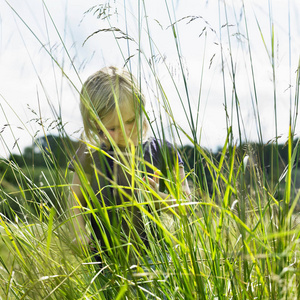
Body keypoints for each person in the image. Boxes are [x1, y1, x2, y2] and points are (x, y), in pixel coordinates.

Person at [68, 66, 190, 267]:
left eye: (131, 120)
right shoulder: (89, 154)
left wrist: (157, 198)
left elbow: (186, 207)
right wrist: (79, 233)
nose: (125, 132)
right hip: (104, 262)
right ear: (95, 125)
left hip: (154, 260)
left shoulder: (163, 151)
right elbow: (75, 200)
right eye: (113, 128)